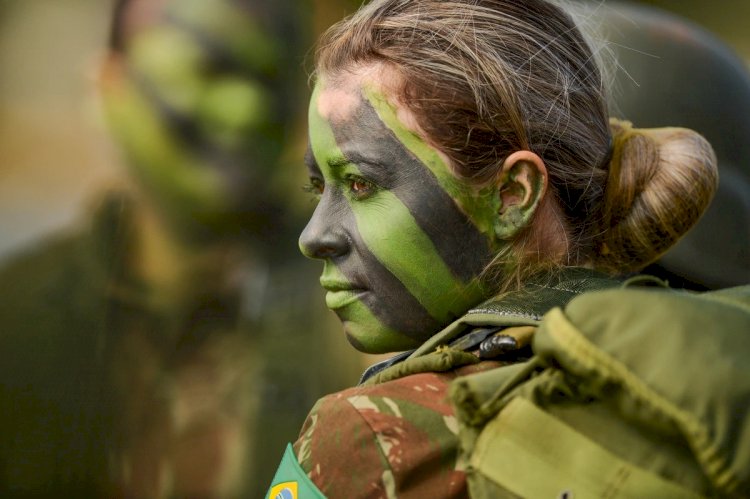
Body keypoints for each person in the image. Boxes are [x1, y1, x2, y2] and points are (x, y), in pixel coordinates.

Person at [265, 0, 750, 497]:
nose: (313, 236)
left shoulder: (370, 436)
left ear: (512, 197)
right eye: (316, 187)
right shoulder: (706, 369)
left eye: (361, 184)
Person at [0, 0, 362, 497]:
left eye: (271, 78)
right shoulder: (20, 317)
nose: (247, 108)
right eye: (209, 69)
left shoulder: (357, 303)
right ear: (109, 87)